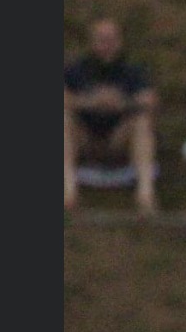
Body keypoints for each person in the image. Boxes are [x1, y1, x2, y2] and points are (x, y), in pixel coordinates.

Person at [63, 18, 160, 215]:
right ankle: (68, 191)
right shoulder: (76, 70)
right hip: (85, 139)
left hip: (118, 140)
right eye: (101, 39)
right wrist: (90, 101)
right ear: (92, 42)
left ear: (120, 42)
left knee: (142, 122)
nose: (106, 45)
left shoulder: (132, 71)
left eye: (111, 39)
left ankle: (145, 195)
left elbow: (150, 100)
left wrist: (122, 103)